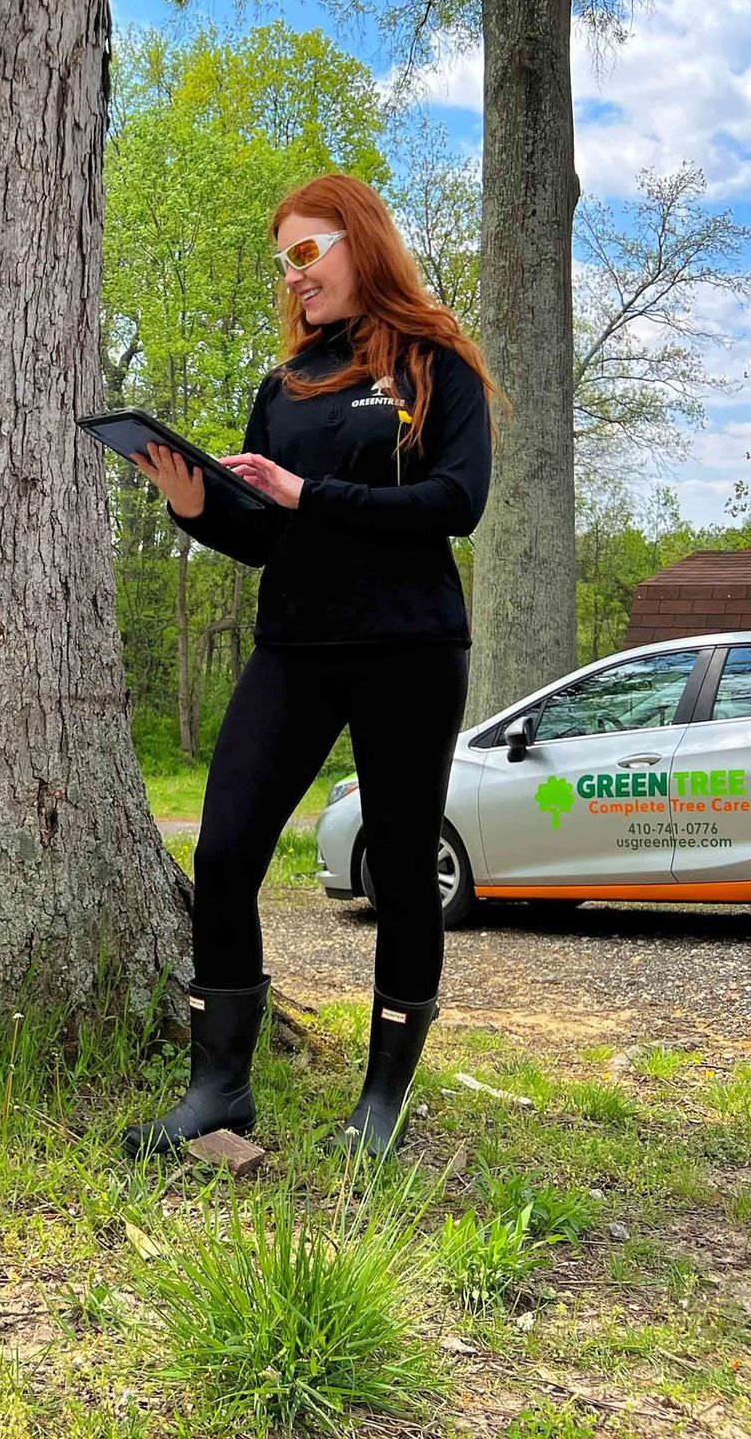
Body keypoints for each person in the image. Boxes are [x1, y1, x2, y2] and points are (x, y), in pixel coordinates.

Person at [122, 173, 498, 1161]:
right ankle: (218, 1087)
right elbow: (263, 532)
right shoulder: (281, 387)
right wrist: (195, 505)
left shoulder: (435, 364)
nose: (293, 278)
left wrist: (307, 492)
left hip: (409, 647)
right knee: (226, 851)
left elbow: (458, 501)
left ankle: (381, 1100)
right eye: (283, 261)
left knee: (406, 870)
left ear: (358, 243)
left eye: (306, 252)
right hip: (294, 645)